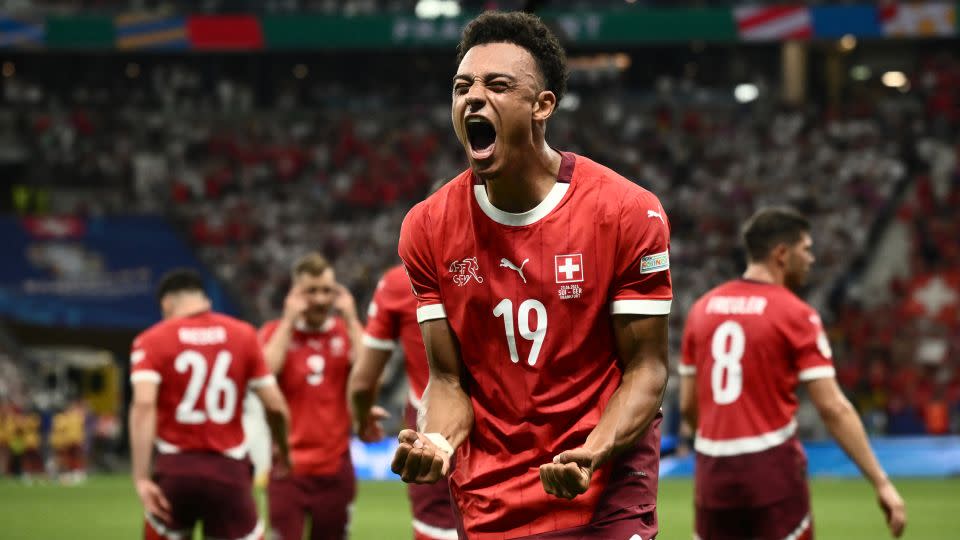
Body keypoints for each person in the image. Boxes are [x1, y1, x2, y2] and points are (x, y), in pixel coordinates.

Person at [390, 11, 672, 539]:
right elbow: (449, 380)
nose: (473, 97)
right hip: (490, 498)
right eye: (462, 87)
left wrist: (593, 451)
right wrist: (439, 442)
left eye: (497, 85)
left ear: (544, 106)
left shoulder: (628, 212)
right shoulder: (426, 227)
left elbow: (647, 369)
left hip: (605, 487)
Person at [679, 207, 907, 540]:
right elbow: (833, 408)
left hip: (713, 474)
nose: (811, 258)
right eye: (806, 249)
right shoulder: (795, 314)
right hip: (772, 471)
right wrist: (881, 482)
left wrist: (722, 441)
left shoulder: (701, 310)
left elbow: (688, 405)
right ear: (782, 254)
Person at [129, 268, 291, 540]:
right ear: (204, 299)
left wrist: (141, 477)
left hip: (175, 471)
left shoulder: (151, 340)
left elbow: (144, 405)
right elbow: (275, 406)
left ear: (167, 304)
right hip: (229, 473)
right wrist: (284, 452)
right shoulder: (243, 335)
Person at [349, 264, 458, 540]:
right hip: (501, 422)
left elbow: (362, 383)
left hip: (432, 426)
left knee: (436, 525)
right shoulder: (495, 264)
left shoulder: (398, 282)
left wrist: (362, 418)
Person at [260, 253, 362, 540]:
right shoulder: (273, 334)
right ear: (295, 294)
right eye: (311, 291)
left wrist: (352, 317)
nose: (320, 299)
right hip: (287, 469)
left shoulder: (345, 333)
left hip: (335, 469)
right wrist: (289, 320)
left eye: (327, 290)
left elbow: (371, 374)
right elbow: (264, 374)